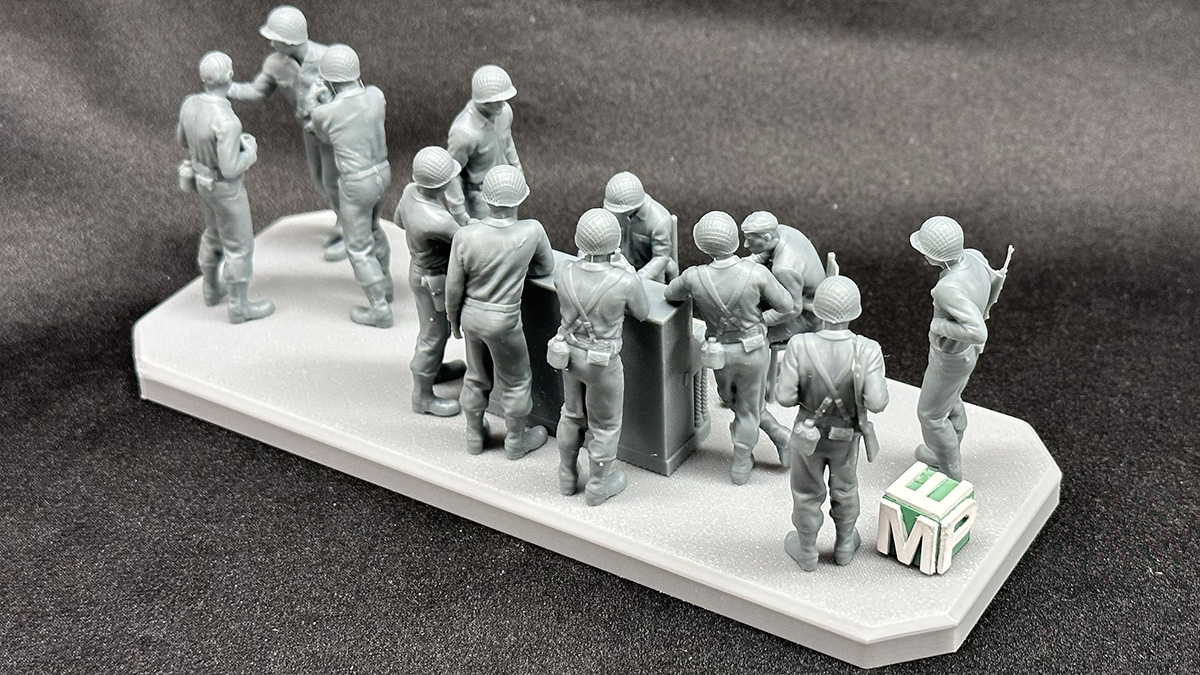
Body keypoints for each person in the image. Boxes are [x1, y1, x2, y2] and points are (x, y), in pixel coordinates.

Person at [664, 212, 793, 484]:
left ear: (702, 245)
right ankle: (780, 436)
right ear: (735, 240)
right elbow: (786, 305)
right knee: (743, 405)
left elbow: (671, 293)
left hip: (720, 353)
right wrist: (761, 321)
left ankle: (742, 461)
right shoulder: (756, 273)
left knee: (740, 405)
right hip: (751, 351)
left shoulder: (694, 277)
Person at [775, 276, 888, 571]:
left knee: (806, 493)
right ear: (854, 310)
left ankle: (807, 551)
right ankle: (844, 547)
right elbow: (877, 402)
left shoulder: (799, 345)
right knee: (845, 490)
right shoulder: (868, 350)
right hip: (844, 437)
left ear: (819, 309)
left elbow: (784, 397)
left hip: (807, 435)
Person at [446, 166, 555, 458]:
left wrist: (454, 321)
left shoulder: (465, 235)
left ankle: (474, 435)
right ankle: (516, 440)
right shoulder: (531, 230)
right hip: (504, 320)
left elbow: (453, 287)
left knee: (476, 377)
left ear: (486, 197)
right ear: (520, 198)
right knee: (516, 382)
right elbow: (545, 267)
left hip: (471, 316)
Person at [228, 6, 345, 261]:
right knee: (319, 177)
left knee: (334, 179)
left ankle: (353, 230)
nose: (271, 44)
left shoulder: (328, 57)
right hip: (310, 130)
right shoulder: (275, 64)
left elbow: (351, 94)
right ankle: (344, 220)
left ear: (291, 40)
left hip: (334, 129)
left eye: (276, 39)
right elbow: (257, 91)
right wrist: (228, 88)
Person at [551, 209, 649, 506]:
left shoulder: (563, 270)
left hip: (569, 354)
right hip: (602, 362)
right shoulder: (624, 281)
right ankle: (597, 484)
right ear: (615, 244)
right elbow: (642, 311)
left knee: (571, 414)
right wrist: (629, 271)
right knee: (604, 425)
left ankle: (567, 474)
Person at [176, 51, 275, 324]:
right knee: (240, 245)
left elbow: (182, 140)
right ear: (230, 76)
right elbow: (231, 168)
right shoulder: (227, 121)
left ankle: (210, 288)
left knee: (213, 234)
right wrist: (250, 151)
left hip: (202, 181)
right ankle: (239, 305)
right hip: (225, 188)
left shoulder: (190, 103)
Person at [910, 216, 1008, 480]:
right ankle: (947, 448)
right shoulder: (974, 256)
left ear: (934, 255)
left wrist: (939, 326)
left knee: (930, 415)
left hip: (950, 358)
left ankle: (949, 466)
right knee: (949, 399)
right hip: (965, 355)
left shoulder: (947, 288)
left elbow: (978, 331)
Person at [308, 45, 393, 328]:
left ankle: (379, 307)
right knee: (375, 228)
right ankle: (386, 285)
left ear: (329, 80)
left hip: (356, 181)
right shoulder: (376, 96)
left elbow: (323, 136)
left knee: (357, 247)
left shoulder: (326, 113)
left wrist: (315, 104)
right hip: (382, 173)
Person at [741, 211, 827, 465]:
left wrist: (759, 322)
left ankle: (753, 392)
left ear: (767, 237)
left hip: (807, 317)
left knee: (755, 339)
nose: (745, 244)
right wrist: (750, 261)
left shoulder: (784, 268)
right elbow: (765, 254)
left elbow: (792, 309)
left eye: (751, 240)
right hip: (805, 297)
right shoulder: (783, 231)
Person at [394, 147, 469, 416]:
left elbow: (398, 220)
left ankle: (434, 370)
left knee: (438, 330)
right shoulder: (437, 220)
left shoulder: (410, 191)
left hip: (421, 271)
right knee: (433, 335)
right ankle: (422, 396)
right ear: (442, 184)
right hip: (433, 279)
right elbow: (465, 241)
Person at [444, 65, 522, 223]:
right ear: (483, 103)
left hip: (507, 187)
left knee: (511, 229)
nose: (502, 104)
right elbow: (452, 172)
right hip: (480, 196)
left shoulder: (504, 112)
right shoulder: (464, 133)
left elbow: (508, 142)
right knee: (486, 235)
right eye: (496, 101)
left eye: (503, 99)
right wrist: (459, 212)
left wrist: (517, 171)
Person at [601, 172, 679, 282]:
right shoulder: (613, 209)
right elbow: (601, 233)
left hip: (647, 270)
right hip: (618, 263)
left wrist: (639, 277)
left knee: (669, 269)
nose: (616, 213)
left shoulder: (659, 219)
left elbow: (661, 257)